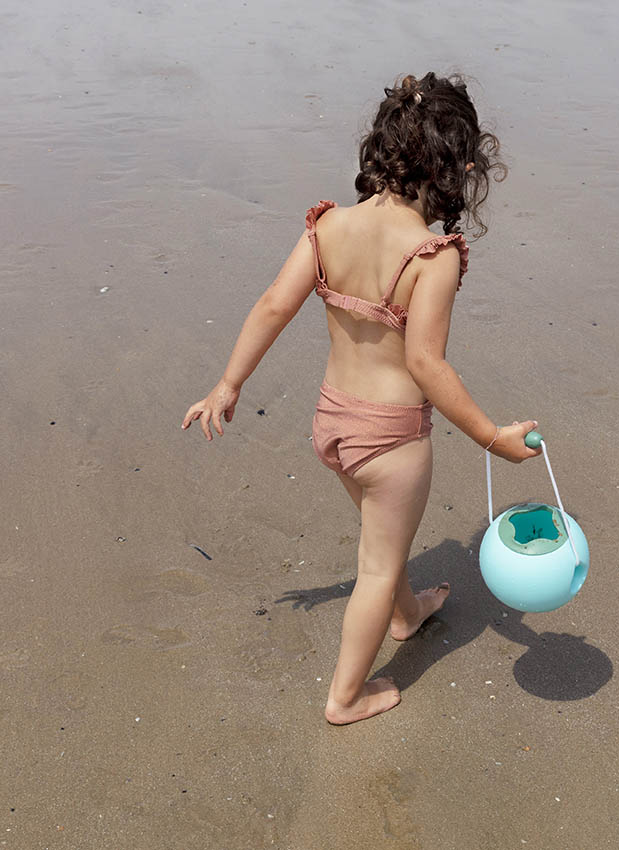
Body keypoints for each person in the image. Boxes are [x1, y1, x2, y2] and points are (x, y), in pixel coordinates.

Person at [181, 73, 540, 724]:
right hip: (391, 439)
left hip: (332, 425)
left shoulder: (329, 226)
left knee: (384, 542)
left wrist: (228, 384)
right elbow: (426, 364)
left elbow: (274, 304)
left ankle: (408, 613)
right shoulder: (431, 256)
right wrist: (493, 438)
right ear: (455, 171)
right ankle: (347, 696)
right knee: (377, 566)